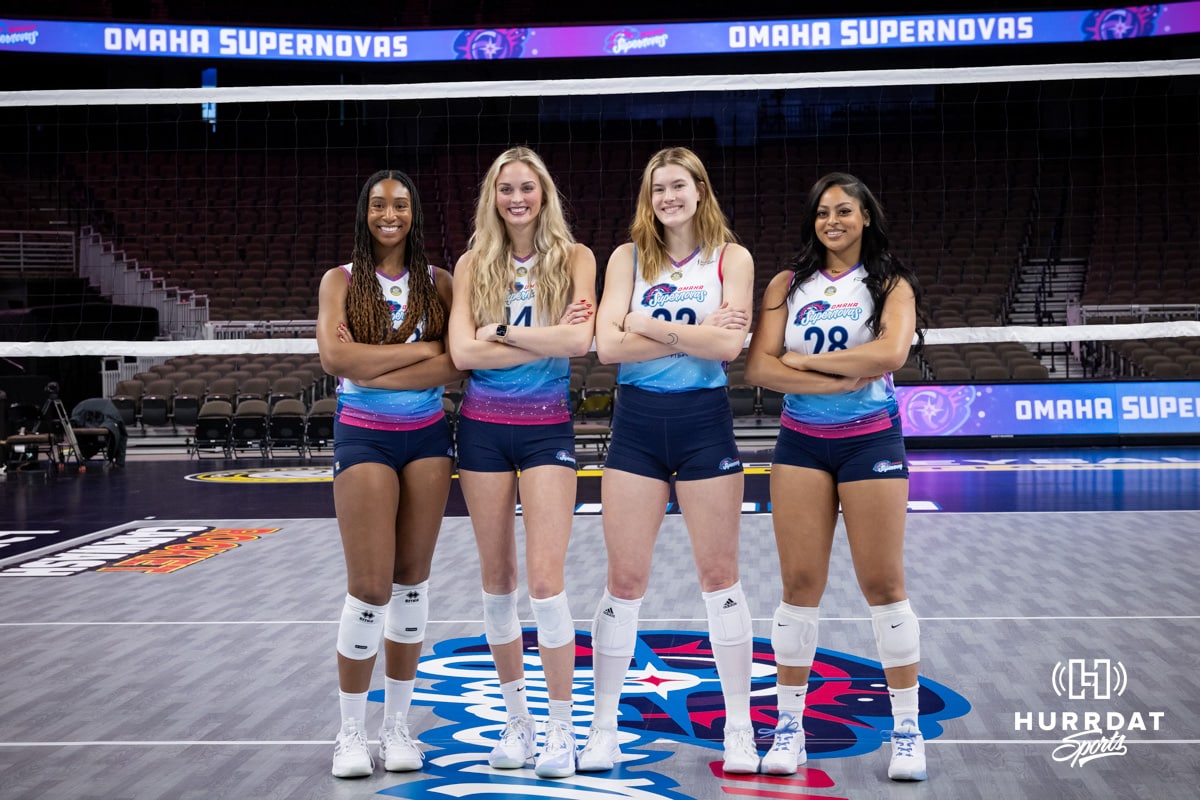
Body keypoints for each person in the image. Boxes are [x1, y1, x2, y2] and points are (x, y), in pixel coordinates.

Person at [744, 172, 929, 781]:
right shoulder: (786, 285)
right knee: (798, 585)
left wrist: (806, 361)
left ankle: (906, 730)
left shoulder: (890, 283)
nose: (833, 221)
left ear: (866, 217)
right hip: (802, 440)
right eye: (823, 212)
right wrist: (834, 374)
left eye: (845, 211)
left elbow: (889, 355)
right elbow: (760, 370)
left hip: (870, 437)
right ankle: (788, 728)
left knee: (883, 583)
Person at [580, 146, 758, 774]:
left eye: (678, 186)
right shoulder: (627, 257)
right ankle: (602, 729)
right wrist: (693, 332)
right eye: (657, 189)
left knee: (720, 578)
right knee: (624, 581)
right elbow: (605, 346)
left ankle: (740, 729)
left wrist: (646, 324)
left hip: (704, 423)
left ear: (701, 190)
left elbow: (730, 345)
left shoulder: (732, 258)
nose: (667, 199)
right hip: (636, 424)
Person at [447, 146, 597, 779]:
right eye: (506, 188)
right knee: (497, 582)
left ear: (544, 194)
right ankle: (518, 723)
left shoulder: (575, 259)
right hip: (481, 432)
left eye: (527, 188)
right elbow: (459, 353)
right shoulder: (471, 262)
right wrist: (535, 340)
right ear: (493, 196)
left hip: (545, 431)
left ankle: (561, 729)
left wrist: (500, 335)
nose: (516, 198)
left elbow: (578, 342)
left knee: (545, 581)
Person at [315, 169, 464, 778]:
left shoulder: (440, 282)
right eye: (378, 203)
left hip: (427, 438)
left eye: (400, 204)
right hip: (364, 434)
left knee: (411, 584)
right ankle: (350, 733)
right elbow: (334, 358)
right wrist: (417, 352)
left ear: (414, 213)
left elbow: (455, 364)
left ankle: (397, 729)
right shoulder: (341, 281)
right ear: (364, 212)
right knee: (370, 587)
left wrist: (373, 364)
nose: (389, 213)